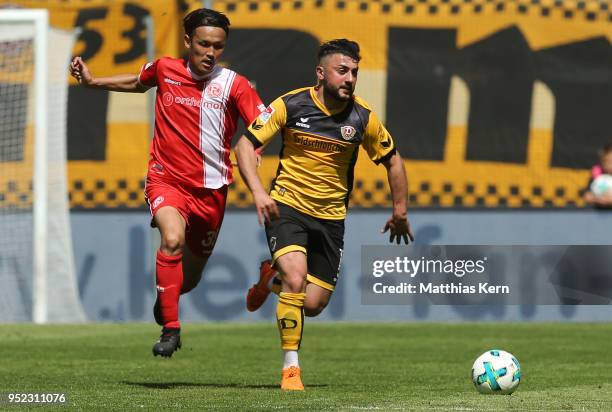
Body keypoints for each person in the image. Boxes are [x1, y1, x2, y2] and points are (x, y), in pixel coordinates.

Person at [70, 8, 265, 357]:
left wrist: (256, 147)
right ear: (188, 40)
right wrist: (92, 81)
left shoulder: (235, 85)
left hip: (211, 192)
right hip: (166, 180)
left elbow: (263, 124)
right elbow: (136, 81)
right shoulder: (165, 68)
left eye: (218, 47)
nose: (210, 53)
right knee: (171, 239)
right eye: (203, 44)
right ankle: (171, 329)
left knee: (188, 281)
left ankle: (168, 300)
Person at [235, 39, 414, 390]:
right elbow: (245, 144)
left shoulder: (362, 118)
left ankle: (269, 280)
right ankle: (291, 369)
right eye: (342, 70)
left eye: (355, 73)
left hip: (331, 219)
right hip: (287, 206)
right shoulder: (290, 104)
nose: (350, 78)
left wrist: (400, 211)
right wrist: (257, 191)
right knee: (296, 278)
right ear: (321, 73)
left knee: (313, 304)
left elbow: (393, 160)